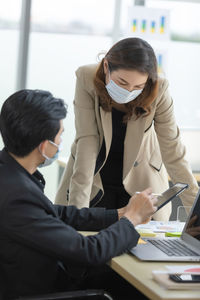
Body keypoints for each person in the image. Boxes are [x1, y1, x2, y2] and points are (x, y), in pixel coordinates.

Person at [0, 89, 157, 300]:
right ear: (45, 146)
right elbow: (88, 251)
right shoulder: (16, 195)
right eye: (60, 134)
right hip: (41, 291)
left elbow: (55, 214)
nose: (61, 140)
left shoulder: (9, 173)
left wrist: (119, 215)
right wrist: (133, 219)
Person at [55, 37, 198, 221]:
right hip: (94, 181)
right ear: (106, 66)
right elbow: (87, 140)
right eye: (122, 83)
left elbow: (172, 150)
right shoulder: (86, 78)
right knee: (87, 241)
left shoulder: (159, 89)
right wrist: (77, 214)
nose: (129, 91)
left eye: (138, 86)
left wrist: (196, 213)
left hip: (141, 184)